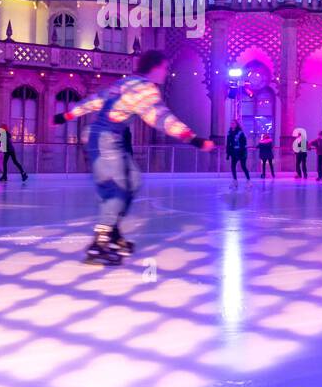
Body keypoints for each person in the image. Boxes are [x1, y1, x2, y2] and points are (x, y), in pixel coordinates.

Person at [54, 49, 212, 264]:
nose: (166, 73)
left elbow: (96, 100)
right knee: (116, 190)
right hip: (105, 140)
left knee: (133, 180)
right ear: (155, 68)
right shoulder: (146, 89)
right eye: (165, 68)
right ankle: (98, 244)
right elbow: (161, 119)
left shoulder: (126, 82)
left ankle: (112, 230)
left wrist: (66, 115)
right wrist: (195, 140)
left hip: (108, 139)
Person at [226, 119, 250, 184]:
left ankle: (248, 180)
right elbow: (228, 144)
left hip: (242, 152)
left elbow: (244, 143)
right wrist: (228, 153)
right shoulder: (229, 133)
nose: (232, 124)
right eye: (231, 123)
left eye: (233, 123)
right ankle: (235, 180)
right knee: (233, 166)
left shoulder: (240, 133)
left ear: (236, 125)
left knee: (243, 166)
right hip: (234, 152)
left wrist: (241, 152)